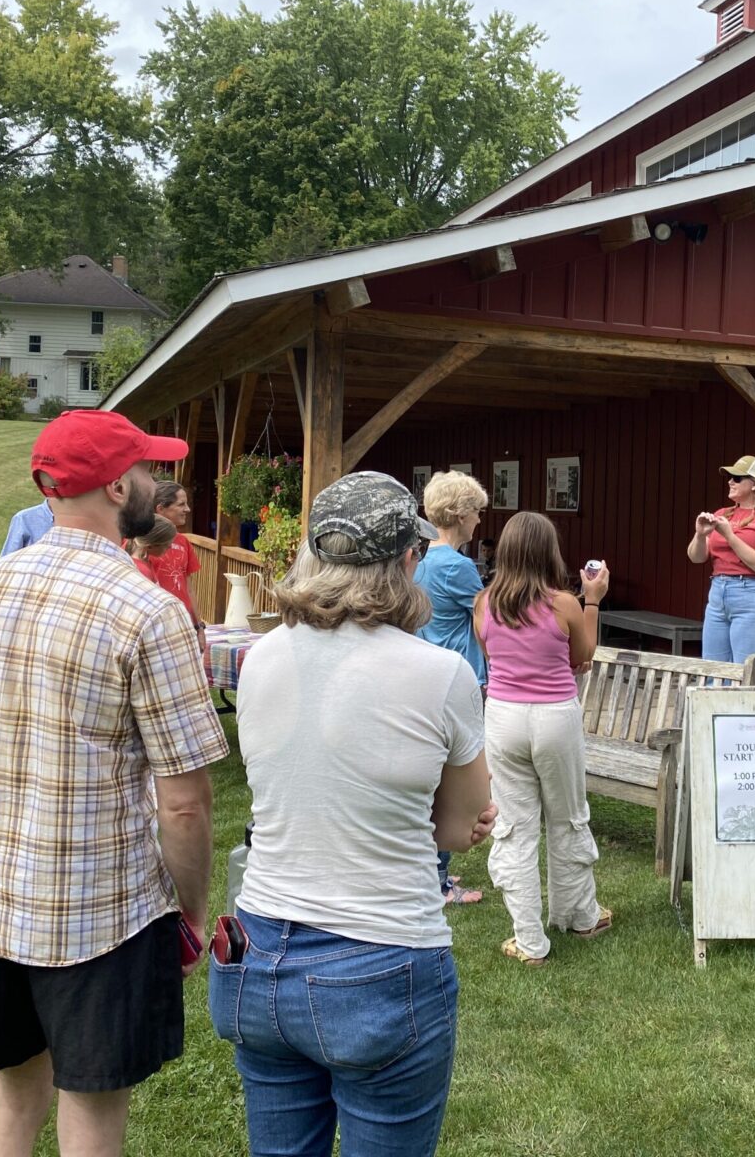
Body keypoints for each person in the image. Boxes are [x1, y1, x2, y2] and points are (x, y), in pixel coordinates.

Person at [0, 410, 228, 1157]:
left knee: (11, 1107)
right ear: (117, 484)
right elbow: (185, 800)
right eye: (148, 472)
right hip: (100, 914)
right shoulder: (148, 611)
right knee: (93, 1120)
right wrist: (190, 915)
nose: (158, 486)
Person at [214, 471, 495, 1156]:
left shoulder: (262, 656)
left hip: (257, 951)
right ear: (408, 560)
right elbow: (459, 827)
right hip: (381, 957)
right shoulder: (440, 673)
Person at [475, 511, 612, 966]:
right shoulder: (564, 604)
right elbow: (583, 654)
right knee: (568, 816)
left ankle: (530, 940)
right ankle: (580, 915)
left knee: (514, 826)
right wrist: (593, 600)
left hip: (503, 717)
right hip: (555, 716)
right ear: (548, 551)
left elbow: (491, 653)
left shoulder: (484, 603)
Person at [415, 470, 491, 906]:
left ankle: (434, 867)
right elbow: (486, 622)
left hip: (428, 676)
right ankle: (441, 882)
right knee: (453, 778)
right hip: (460, 678)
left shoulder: (422, 561)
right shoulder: (459, 567)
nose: (480, 520)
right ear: (460, 514)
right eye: (477, 512)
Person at [687, 455, 755, 682]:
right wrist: (700, 535)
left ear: (754, 484)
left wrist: (730, 536)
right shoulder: (722, 514)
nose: (730, 482)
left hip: (754, 594)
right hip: (719, 592)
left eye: (736, 478)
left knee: (748, 674)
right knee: (713, 672)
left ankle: (750, 719)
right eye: (729, 478)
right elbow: (696, 557)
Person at [145, 481, 207, 644]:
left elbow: (189, 589)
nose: (187, 509)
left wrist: (199, 627)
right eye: (181, 504)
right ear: (160, 509)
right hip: (155, 626)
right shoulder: (139, 543)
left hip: (183, 624)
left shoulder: (183, 542)